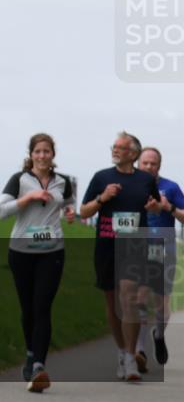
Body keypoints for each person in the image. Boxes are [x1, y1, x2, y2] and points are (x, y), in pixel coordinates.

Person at [0, 133, 76, 393]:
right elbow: (1, 211)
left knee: (43, 306)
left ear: (53, 154)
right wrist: (29, 198)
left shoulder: (64, 182)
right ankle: (31, 354)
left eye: (47, 151)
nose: (42, 156)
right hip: (21, 251)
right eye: (37, 151)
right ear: (31, 154)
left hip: (51, 251)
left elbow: (67, 205)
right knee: (28, 308)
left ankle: (40, 366)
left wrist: (70, 212)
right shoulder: (19, 180)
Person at [79, 132, 161, 382]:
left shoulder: (145, 179)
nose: (115, 150)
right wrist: (102, 198)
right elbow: (84, 210)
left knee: (131, 298)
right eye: (114, 146)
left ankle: (131, 357)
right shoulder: (101, 177)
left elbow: (155, 204)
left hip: (135, 245)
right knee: (112, 302)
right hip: (106, 245)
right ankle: (122, 352)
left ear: (133, 153)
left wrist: (154, 207)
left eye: (121, 147)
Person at [135, 147, 184, 367]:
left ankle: (159, 334)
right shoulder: (131, 186)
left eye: (152, 163)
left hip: (165, 247)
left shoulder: (171, 188)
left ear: (159, 166)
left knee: (162, 302)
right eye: (145, 163)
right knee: (140, 296)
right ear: (138, 164)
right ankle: (140, 350)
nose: (148, 167)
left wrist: (169, 207)